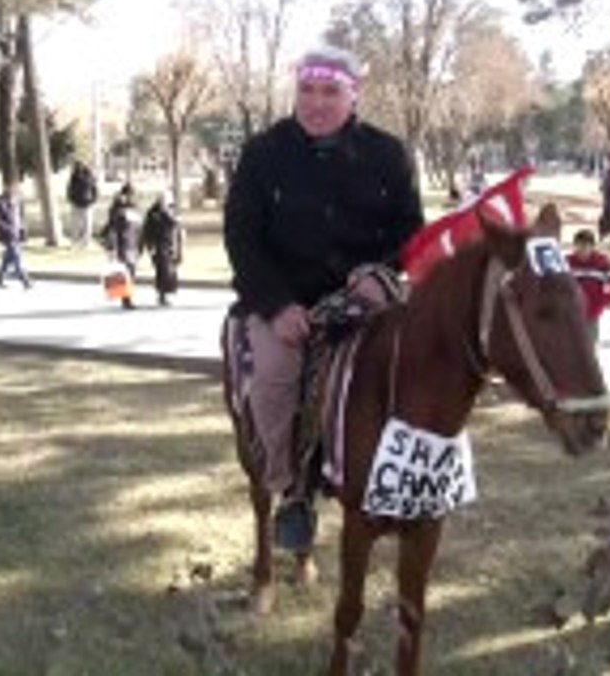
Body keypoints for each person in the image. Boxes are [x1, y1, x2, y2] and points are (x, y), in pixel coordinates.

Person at [224, 45, 424, 547]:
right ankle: (290, 488)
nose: (316, 103)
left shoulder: (389, 153)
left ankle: (398, 478)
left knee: (413, 369)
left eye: (330, 91)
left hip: (365, 297)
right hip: (283, 301)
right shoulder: (262, 152)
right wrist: (276, 306)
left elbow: (410, 232)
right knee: (272, 377)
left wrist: (382, 274)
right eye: (306, 91)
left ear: (353, 95)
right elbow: (241, 239)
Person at [566, 229, 610, 343]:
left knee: (589, 344)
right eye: (579, 246)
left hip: (591, 313)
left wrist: (603, 300)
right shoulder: (567, 262)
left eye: (585, 246)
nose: (582, 250)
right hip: (570, 314)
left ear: (592, 247)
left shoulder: (601, 263)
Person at [100, 185, 142, 310]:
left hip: (133, 244)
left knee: (132, 272)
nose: (131, 197)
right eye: (129, 195)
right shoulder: (118, 210)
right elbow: (112, 228)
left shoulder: (135, 209)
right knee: (125, 272)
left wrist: (140, 245)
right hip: (123, 245)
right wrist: (111, 247)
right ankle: (126, 300)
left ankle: (126, 298)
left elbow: (139, 229)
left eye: (132, 195)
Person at [140, 191, 182, 307]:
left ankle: (168, 292)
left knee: (172, 271)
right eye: (163, 200)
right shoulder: (154, 214)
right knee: (163, 271)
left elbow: (177, 228)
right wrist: (149, 246)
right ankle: (162, 294)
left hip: (171, 244)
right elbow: (147, 231)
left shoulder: (172, 211)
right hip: (159, 245)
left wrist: (179, 246)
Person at [0, 188, 32, 289]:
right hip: (7, 235)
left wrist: (22, 231)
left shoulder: (17, 201)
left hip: (16, 234)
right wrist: (6, 230)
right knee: (17, 257)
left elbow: (20, 218)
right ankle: (25, 280)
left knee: (7, 259)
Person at [66, 161, 99, 247]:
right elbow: (69, 189)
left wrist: (93, 200)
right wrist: (71, 199)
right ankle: (75, 241)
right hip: (77, 203)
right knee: (76, 224)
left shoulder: (89, 177)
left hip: (86, 203)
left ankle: (85, 242)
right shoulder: (74, 177)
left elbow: (94, 189)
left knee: (86, 225)